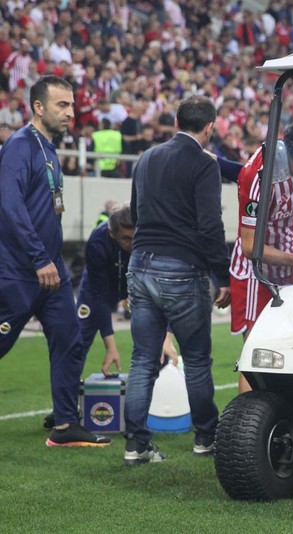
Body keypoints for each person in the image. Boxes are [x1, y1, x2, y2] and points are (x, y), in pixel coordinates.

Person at [0, 75, 111, 447]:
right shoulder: (19, 146)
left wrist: (53, 262)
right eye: (62, 105)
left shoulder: (48, 150)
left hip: (52, 272)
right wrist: (37, 258)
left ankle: (65, 425)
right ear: (38, 107)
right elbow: (10, 207)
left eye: (72, 105)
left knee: (68, 339)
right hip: (20, 271)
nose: (71, 112)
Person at [125, 94, 231, 466]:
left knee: (142, 360)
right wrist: (223, 273)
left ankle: (136, 444)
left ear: (175, 122)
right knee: (197, 360)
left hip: (140, 264)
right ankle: (206, 437)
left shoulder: (147, 158)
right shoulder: (204, 163)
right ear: (208, 128)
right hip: (181, 269)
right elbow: (209, 224)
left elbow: (135, 214)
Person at [43, 205, 177, 429]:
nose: (132, 243)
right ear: (111, 233)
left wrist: (167, 336)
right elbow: (100, 298)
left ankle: (144, 408)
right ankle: (64, 412)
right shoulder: (97, 240)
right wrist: (110, 345)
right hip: (98, 289)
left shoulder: (152, 237)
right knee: (74, 345)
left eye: (135, 236)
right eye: (125, 238)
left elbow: (168, 290)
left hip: (141, 285)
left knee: (157, 350)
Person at [225, 123, 293, 393]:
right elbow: (251, 247)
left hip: (288, 267)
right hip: (254, 273)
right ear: (287, 158)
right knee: (257, 354)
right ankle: (246, 429)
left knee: (287, 354)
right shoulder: (257, 175)